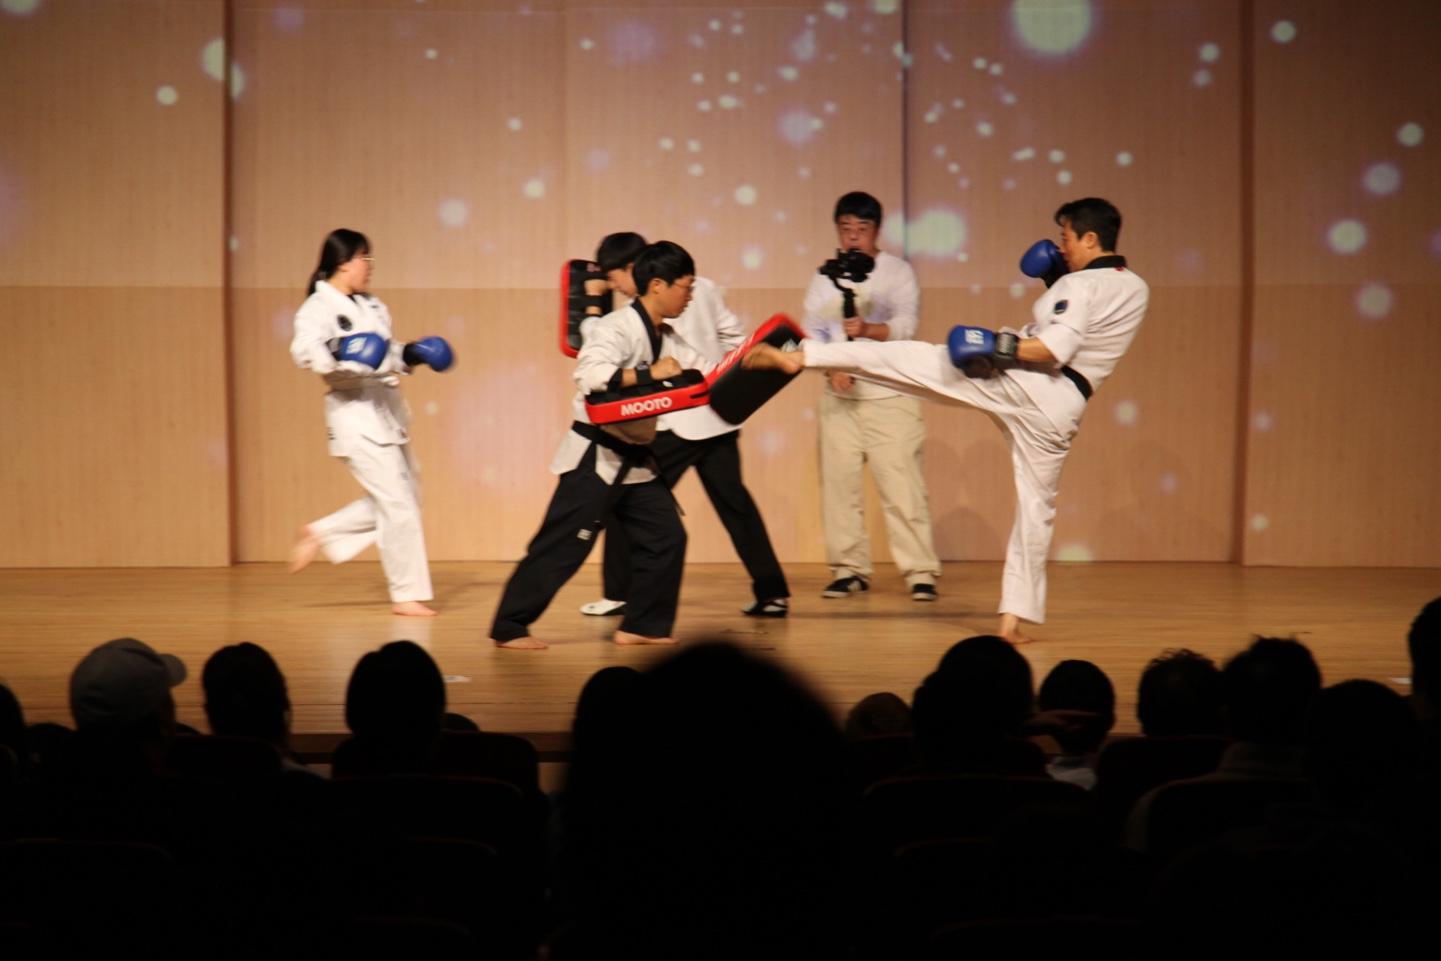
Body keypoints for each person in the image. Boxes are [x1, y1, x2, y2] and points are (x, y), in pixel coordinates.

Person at [750, 197, 1148, 643]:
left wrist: (995, 345)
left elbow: (1055, 347)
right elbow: (1089, 327)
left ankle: (802, 357)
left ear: (1090, 238)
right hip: (1065, 407)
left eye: (1066, 238)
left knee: (912, 360)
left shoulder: (1080, 286)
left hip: (1029, 381)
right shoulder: (1134, 287)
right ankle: (1012, 622)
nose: (1061, 247)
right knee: (1037, 510)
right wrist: (1057, 279)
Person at [488, 241, 697, 650]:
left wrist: (766, 358)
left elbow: (704, 369)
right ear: (658, 285)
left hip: (636, 461)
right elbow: (590, 375)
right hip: (594, 457)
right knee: (562, 546)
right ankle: (509, 626)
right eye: (685, 287)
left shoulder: (667, 336)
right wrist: (650, 373)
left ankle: (643, 626)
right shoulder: (617, 327)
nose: (689, 296)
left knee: (667, 538)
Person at [577, 232, 790, 619]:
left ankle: (619, 594)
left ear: (637, 270)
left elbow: (594, 350)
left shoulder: (653, 305)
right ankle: (772, 592)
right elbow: (736, 339)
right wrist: (737, 376)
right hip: (719, 417)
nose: (613, 286)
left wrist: (592, 304)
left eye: (613, 276)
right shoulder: (702, 287)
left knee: (628, 499)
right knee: (736, 506)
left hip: (675, 423)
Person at [288, 229, 449, 616]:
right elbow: (304, 351)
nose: (370, 267)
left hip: (386, 409)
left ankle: (321, 532)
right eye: (365, 259)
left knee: (408, 497)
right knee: (398, 504)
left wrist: (413, 353)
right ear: (343, 262)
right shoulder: (317, 307)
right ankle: (405, 594)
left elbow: (384, 353)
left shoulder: (373, 306)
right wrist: (340, 347)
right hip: (353, 412)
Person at [802, 191, 941, 602]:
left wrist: (866, 331)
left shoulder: (896, 272)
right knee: (839, 489)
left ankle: (920, 572)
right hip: (839, 398)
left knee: (903, 488)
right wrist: (831, 366)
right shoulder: (824, 276)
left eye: (861, 228)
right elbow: (810, 331)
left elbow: (907, 325)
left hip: (890, 395)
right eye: (845, 228)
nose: (853, 236)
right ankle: (848, 570)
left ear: (876, 231)